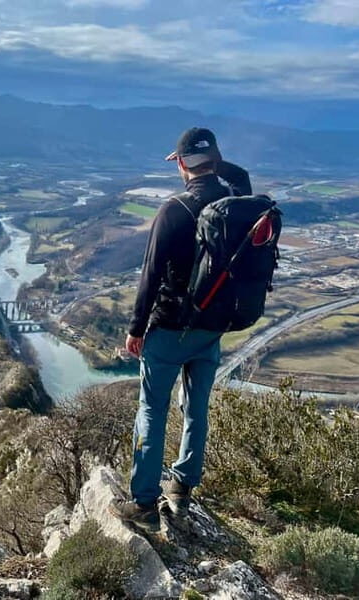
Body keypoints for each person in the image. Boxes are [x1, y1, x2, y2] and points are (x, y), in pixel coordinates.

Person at [110, 127, 251, 532]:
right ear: (215, 159)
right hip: (212, 328)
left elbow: (150, 276)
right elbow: (238, 175)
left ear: (182, 164)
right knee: (197, 407)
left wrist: (136, 329)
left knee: (152, 409)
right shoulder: (235, 199)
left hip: (170, 328)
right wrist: (212, 160)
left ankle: (143, 503)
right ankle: (182, 487)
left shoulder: (174, 209)